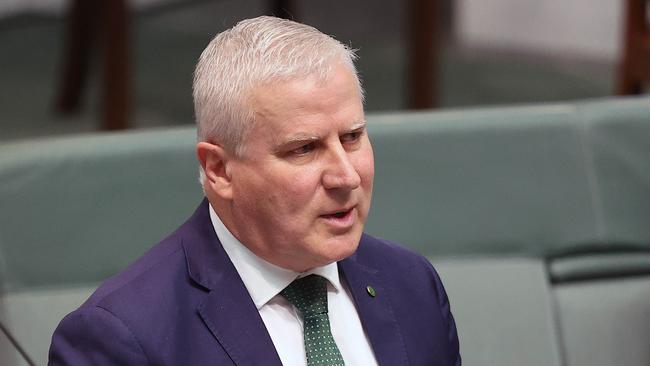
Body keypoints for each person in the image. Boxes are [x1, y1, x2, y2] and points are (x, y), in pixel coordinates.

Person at [48, 16, 460, 366]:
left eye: (352, 137)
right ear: (219, 169)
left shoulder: (411, 283)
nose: (346, 176)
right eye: (304, 148)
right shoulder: (123, 337)